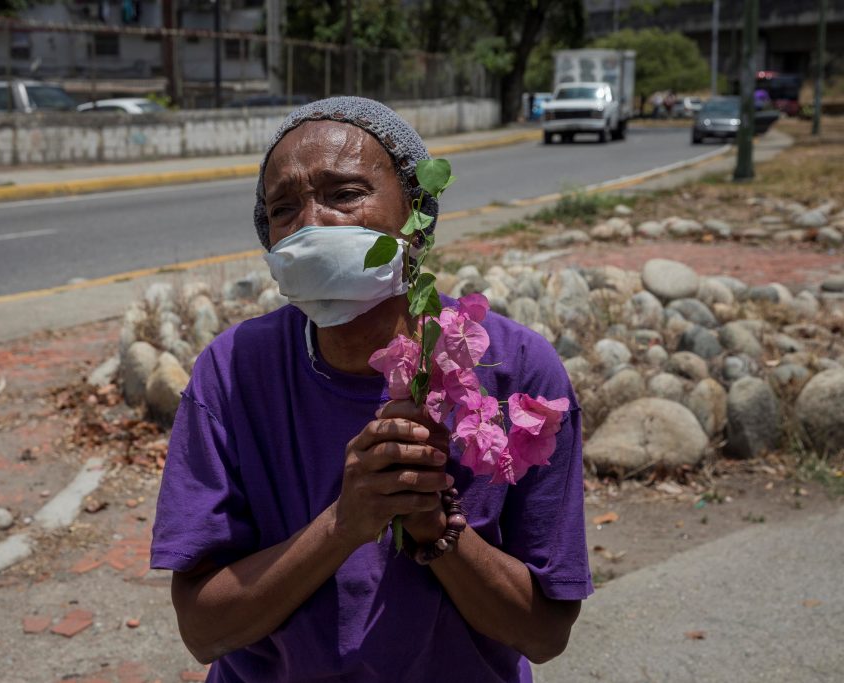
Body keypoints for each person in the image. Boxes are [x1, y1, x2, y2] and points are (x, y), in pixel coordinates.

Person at [151, 96, 592, 682]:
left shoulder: (517, 372)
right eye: (283, 208)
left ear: (417, 212)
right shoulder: (232, 374)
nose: (312, 224)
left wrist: (435, 528)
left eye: (345, 194)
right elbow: (204, 631)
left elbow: (544, 633)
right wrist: (345, 522)